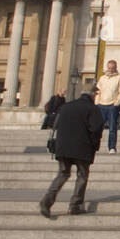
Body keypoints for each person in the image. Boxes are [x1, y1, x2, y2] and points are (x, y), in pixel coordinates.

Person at [38, 89, 103, 218]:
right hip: (82, 147)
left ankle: (47, 201)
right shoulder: (92, 108)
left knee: (62, 174)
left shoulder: (66, 107)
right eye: (96, 95)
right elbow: (96, 129)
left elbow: (54, 124)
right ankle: (75, 205)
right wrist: (94, 146)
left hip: (63, 147)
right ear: (92, 95)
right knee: (82, 175)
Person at [94, 60, 120, 153]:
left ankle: (112, 147)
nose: (111, 69)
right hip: (101, 105)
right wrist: (97, 102)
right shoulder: (102, 78)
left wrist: (116, 103)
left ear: (116, 67)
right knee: (98, 127)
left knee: (112, 127)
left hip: (112, 105)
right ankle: (95, 146)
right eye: (109, 67)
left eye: (113, 68)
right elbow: (97, 91)